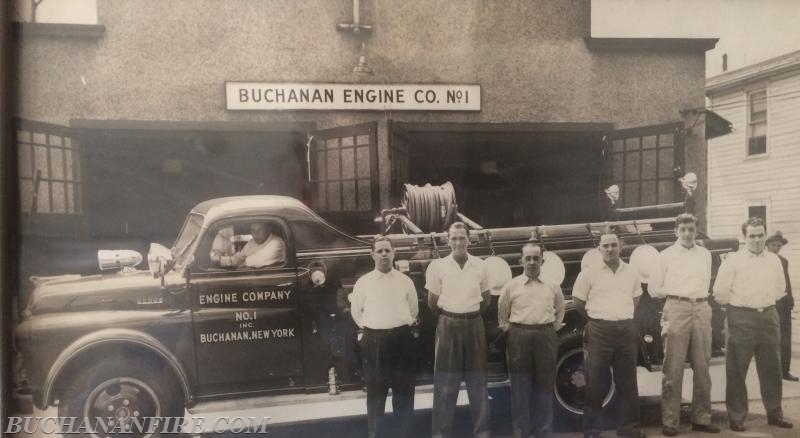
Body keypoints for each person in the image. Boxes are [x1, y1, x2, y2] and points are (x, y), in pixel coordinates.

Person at [712, 217, 792, 431]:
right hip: (741, 317)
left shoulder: (774, 260)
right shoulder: (733, 261)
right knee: (737, 369)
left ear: (765, 236)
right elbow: (720, 293)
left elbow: (779, 289)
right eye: (752, 236)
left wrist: (763, 306)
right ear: (744, 237)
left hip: (768, 316)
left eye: (760, 235)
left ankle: (775, 413)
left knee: (772, 368)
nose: (756, 240)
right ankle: (737, 417)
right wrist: (740, 310)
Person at [650, 214, 719, 436]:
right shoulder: (665, 256)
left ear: (697, 230)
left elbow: (706, 282)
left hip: (701, 308)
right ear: (676, 231)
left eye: (691, 229)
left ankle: (702, 418)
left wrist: (694, 300)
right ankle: (670, 421)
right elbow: (653, 288)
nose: (687, 234)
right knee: (673, 369)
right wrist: (675, 295)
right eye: (683, 230)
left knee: (702, 368)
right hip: (676, 308)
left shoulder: (706, 255)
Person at [572, 233, 646, 438]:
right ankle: (592, 430)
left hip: (625, 330)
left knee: (628, 383)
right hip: (599, 332)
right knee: (595, 383)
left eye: (614, 245)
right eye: (606, 245)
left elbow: (636, 297)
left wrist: (621, 318)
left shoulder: (631, 271)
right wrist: (596, 319)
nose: (610, 249)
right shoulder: (589, 273)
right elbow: (578, 301)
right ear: (599, 249)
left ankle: (628, 430)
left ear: (621, 247)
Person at [426, 222, 491, 438]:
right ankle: (441, 435)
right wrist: (452, 317)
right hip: (448, 325)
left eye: (462, 238)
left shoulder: (480, 266)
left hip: (474, 325)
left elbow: (486, 301)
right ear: (447, 241)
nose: (457, 242)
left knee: (478, 383)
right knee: (445, 384)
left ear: (469, 240)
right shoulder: (437, 267)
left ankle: (482, 433)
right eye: (453, 238)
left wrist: (467, 315)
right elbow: (432, 303)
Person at [349, 236, 419, 438]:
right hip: (375, 342)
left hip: (402, 341)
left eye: (387, 250)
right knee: (376, 395)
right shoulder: (363, 282)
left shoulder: (405, 281)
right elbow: (357, 313)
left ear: (394, 252)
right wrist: (375, 329)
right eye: (379, 251)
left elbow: (413, 310)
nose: (384, 254)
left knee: (404, 394)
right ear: (372, 255)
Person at [498, 243, 564, 438]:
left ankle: (544, 431)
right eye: (528, 258)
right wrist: (515, 331)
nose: (532, 262)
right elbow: (502, 315)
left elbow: (559, 310)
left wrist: (552, 328)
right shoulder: (511, 286)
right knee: (520, 387)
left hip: (545, 336)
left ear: (542, 260)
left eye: (536, 258)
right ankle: (521, 432)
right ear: (521, 261)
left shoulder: (552, 285)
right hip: (519, 337)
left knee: (545, 385)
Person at [766, 231, 797, 381]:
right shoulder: (762, 261)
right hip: (768, 303)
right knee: (770, 339)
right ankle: (772, 374)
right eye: (773, 245)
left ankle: (785, 371)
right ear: (767, 245)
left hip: (783, 304)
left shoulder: (783, 261)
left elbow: (787, 282)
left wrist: (790, 300)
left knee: (785, 338)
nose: (776, 248)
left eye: (779, 246)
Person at [214, 222, 285, 268]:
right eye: (253, 230)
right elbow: (239, 256)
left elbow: (252, 262)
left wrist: (238, 261)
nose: (256, 234)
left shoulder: (277, 242)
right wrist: (221, 259)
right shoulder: (252, 242)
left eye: (259, 230)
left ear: (268, 229)